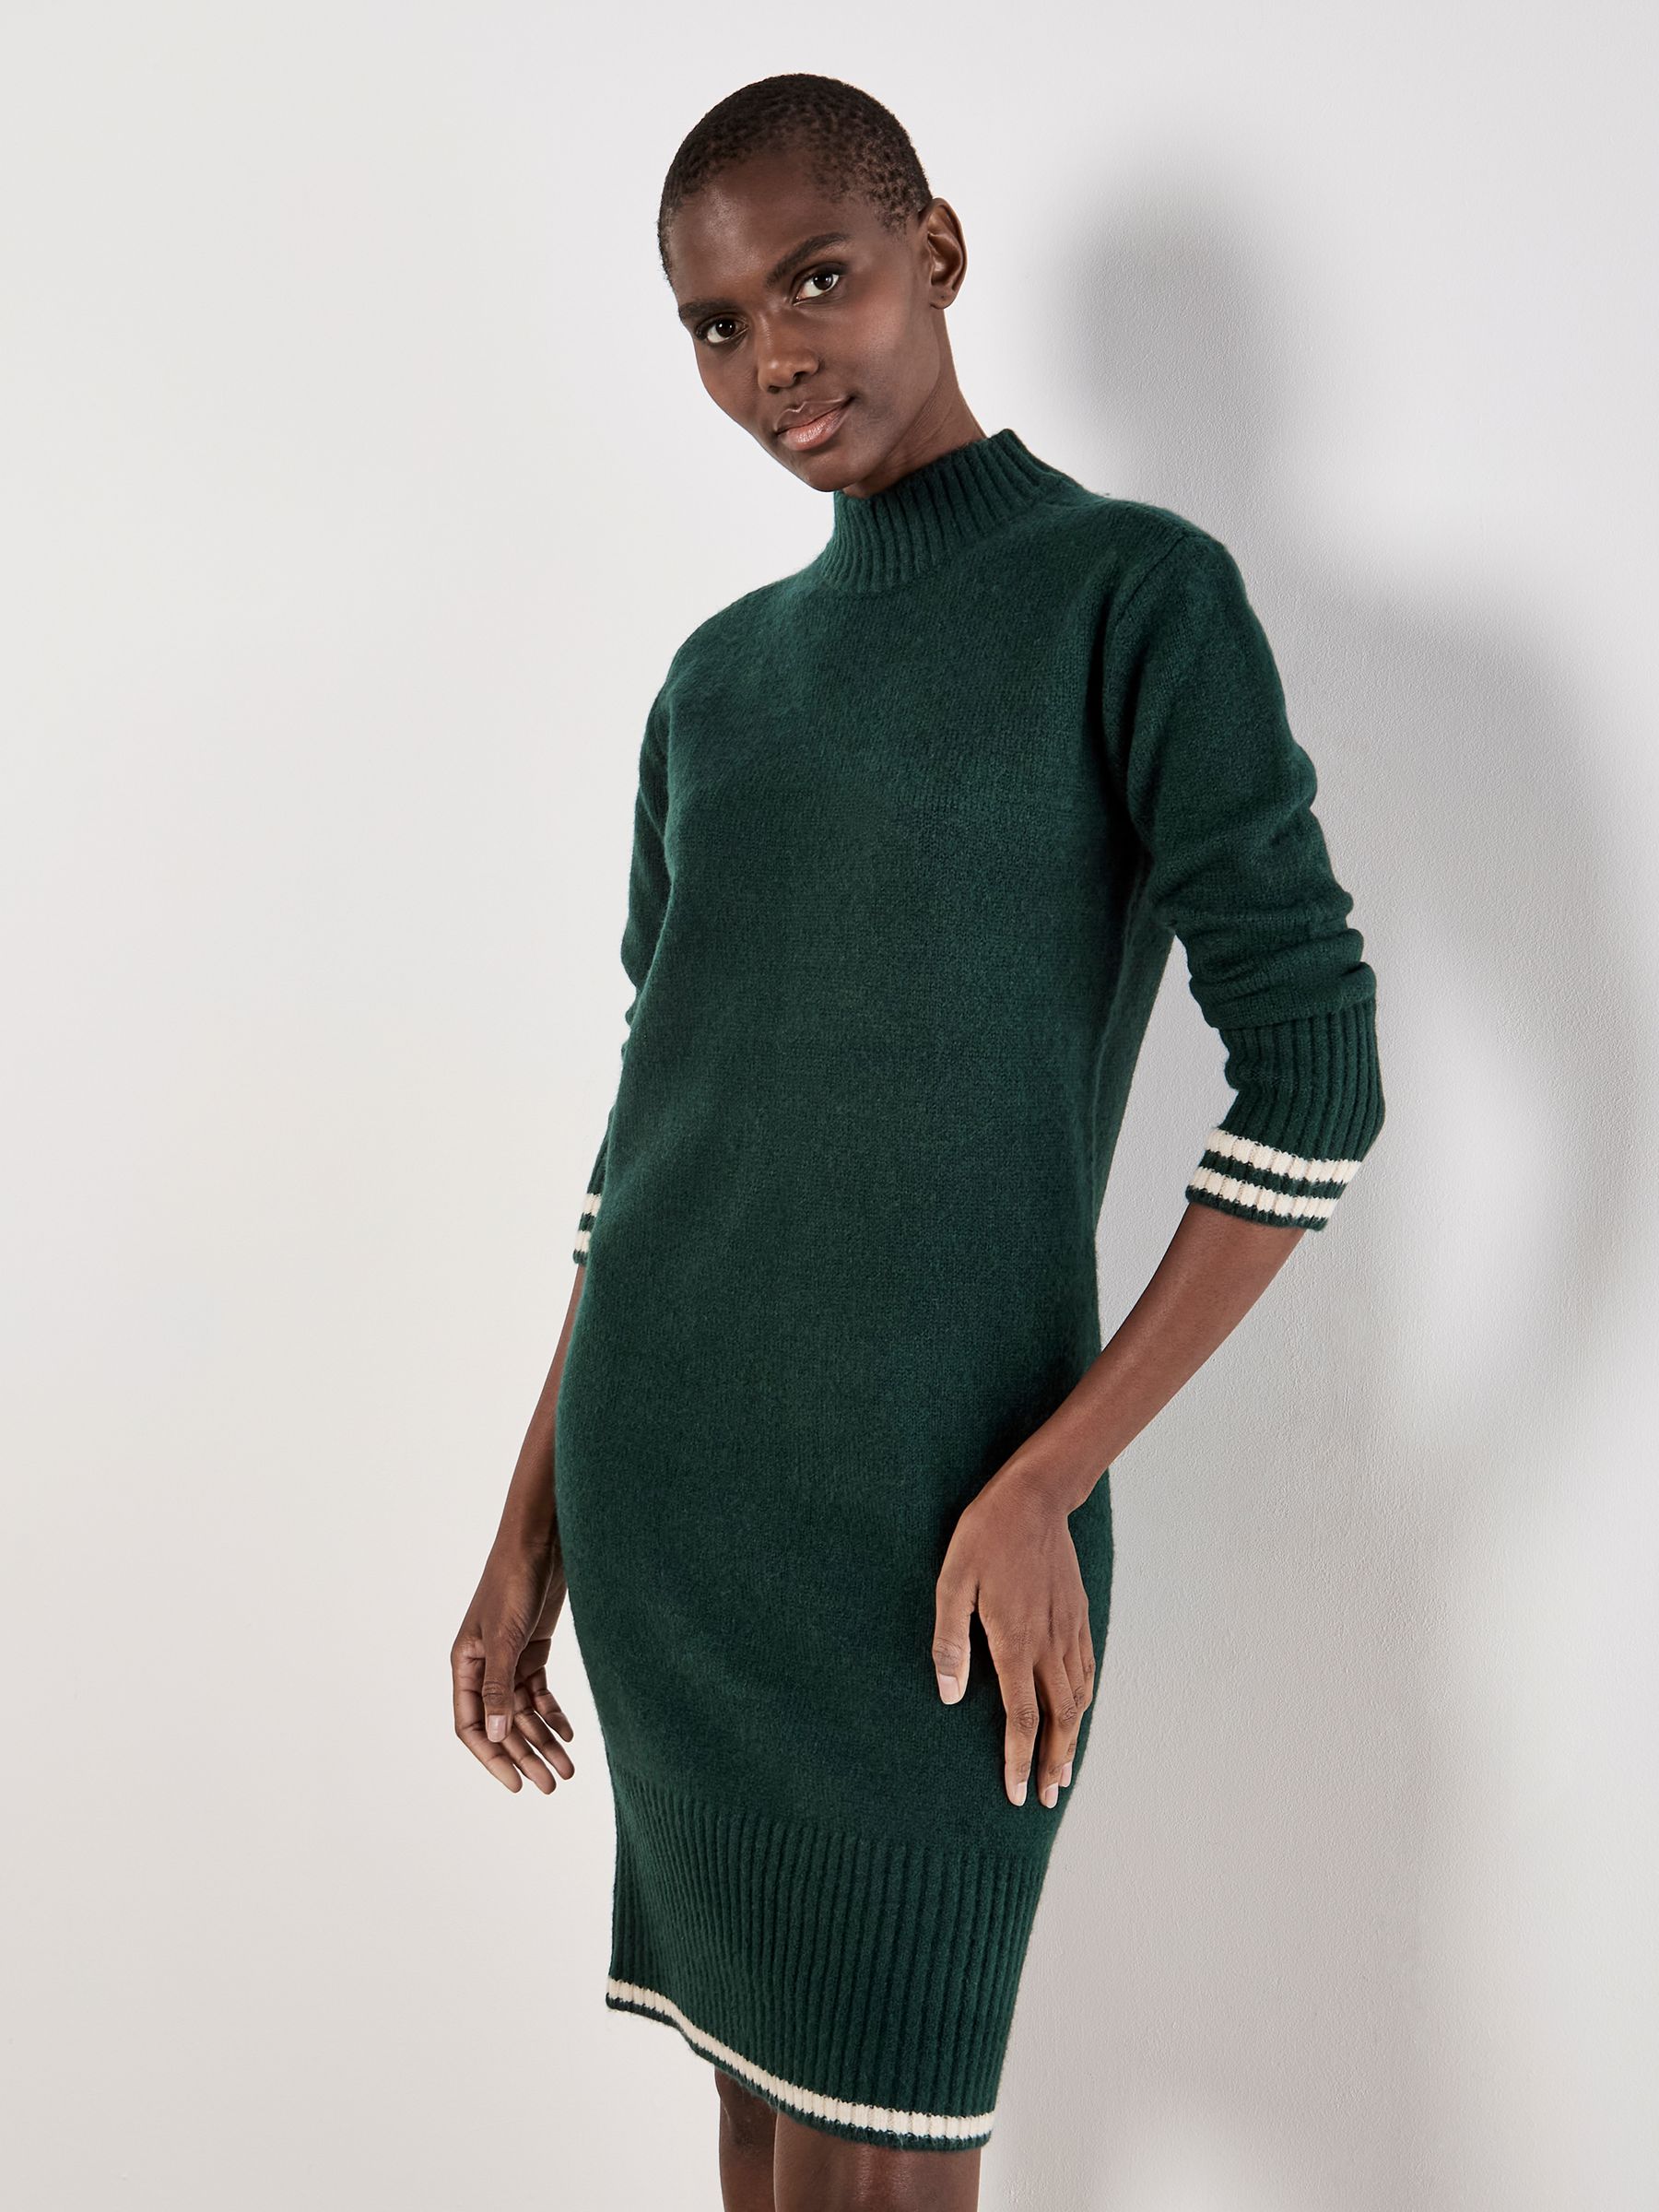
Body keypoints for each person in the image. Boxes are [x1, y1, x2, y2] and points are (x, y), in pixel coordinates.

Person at [450, 71, 1384, 2212]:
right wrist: (529, 1528)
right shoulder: (716, 689)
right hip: (678, 1525)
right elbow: (658, 1133)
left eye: (818, 280)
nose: (773, 357)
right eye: (715, 324)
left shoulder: (1131, 600)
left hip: (941, 1551)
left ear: (936, 253)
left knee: (878, 2155)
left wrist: (1050, 1476)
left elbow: (1317, 1070)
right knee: (762, 2141)